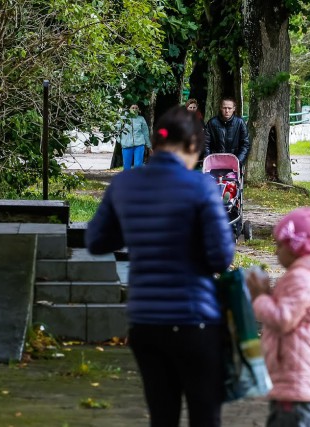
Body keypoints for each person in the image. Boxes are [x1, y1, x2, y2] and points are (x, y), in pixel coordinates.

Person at [86, 106, 235, 427]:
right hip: (195, 319)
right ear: (194, 147)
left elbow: (97, 241)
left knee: (161, 417)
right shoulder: (202, 188)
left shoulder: (124, 186)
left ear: (153, 143)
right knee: (204, 416)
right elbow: (221, 256)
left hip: (145, 322)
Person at [246, 206, 310, 427]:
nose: (275, 252)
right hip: (293, 378)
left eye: (279, 245)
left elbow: (283, 319)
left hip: (296, 379)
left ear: (296, 247)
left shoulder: (302, 278)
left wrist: (259, 297)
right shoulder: (302, 276)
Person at [204, 97, 251, 165]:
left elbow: (245, 145)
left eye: (229, 108)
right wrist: (208, 159)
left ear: (234, 109)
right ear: (220, 108)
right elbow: (206, 144)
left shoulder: (240, 123)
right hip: (215, 163)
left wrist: (238, 161)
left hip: (234, 163)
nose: (227, 111)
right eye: (224, 108)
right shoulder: (212, 123)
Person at [118, 104, 151, 170]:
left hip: (139, 144)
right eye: (132, 108)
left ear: (138, 110)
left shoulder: (141, 119)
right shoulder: (123, 118)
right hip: (126, 145)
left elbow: (145, 132)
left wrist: (149, 145)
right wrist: (120, 141)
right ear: (129, 109)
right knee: (127, 166)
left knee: (138, 165)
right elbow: (117, 130)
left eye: (136, 108)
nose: (134, 109)